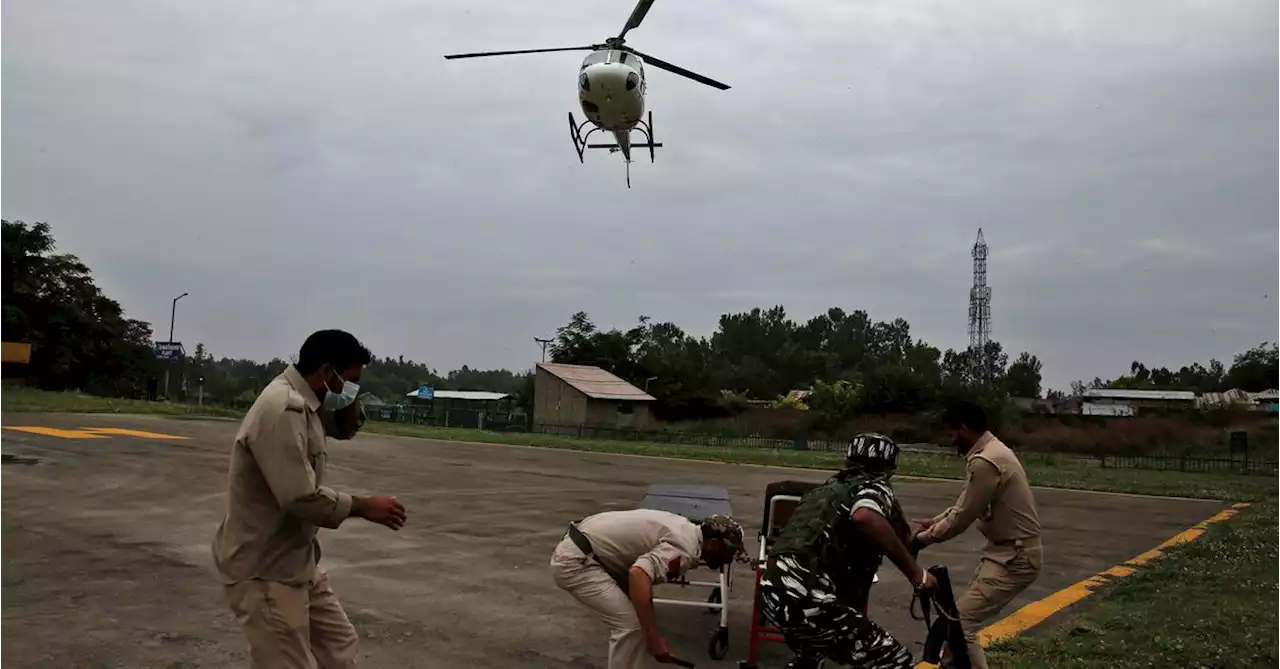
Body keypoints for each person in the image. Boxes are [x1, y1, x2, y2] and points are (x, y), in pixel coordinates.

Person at [211, 329, 408, 669]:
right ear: (326, 371)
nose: (352, 389)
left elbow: (346, 428)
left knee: (339, 647)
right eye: (349, 381)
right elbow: (299, 496)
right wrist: (364, 506)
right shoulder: (282, 409)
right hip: (265, 571)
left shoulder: (309, 404)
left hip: (296, 562)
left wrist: (349, 395)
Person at [760, 433, 938, 669]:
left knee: (812, 654)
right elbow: (866, 516)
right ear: (888, 467)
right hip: (808, 596)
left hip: (773, 594)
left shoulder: (827, 490)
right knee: (895, 659)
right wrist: (916, 573)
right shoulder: (874, 486)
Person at [911, 400, 1042, 669]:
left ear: (965, 428)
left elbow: (962, 517)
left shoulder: (987, 461)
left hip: (1014, 559)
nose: (950, 440)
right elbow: (964, 505)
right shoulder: (992, 453)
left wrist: (920, 540)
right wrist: (934, 522)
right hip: (1005, 554)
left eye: (952, 433)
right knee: (955, 621)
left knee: (962, 625)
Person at [550, 508, 747, 668]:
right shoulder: (685, 548)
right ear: (714, 543)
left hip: (586, 549)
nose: (729, 558)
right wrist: (653, 638)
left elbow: (639, 579)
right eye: (729, 551)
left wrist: (651, 632)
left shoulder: (685, 528)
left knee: (639, 621)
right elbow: (638, 575)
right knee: (630, 626)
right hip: (577, 562)